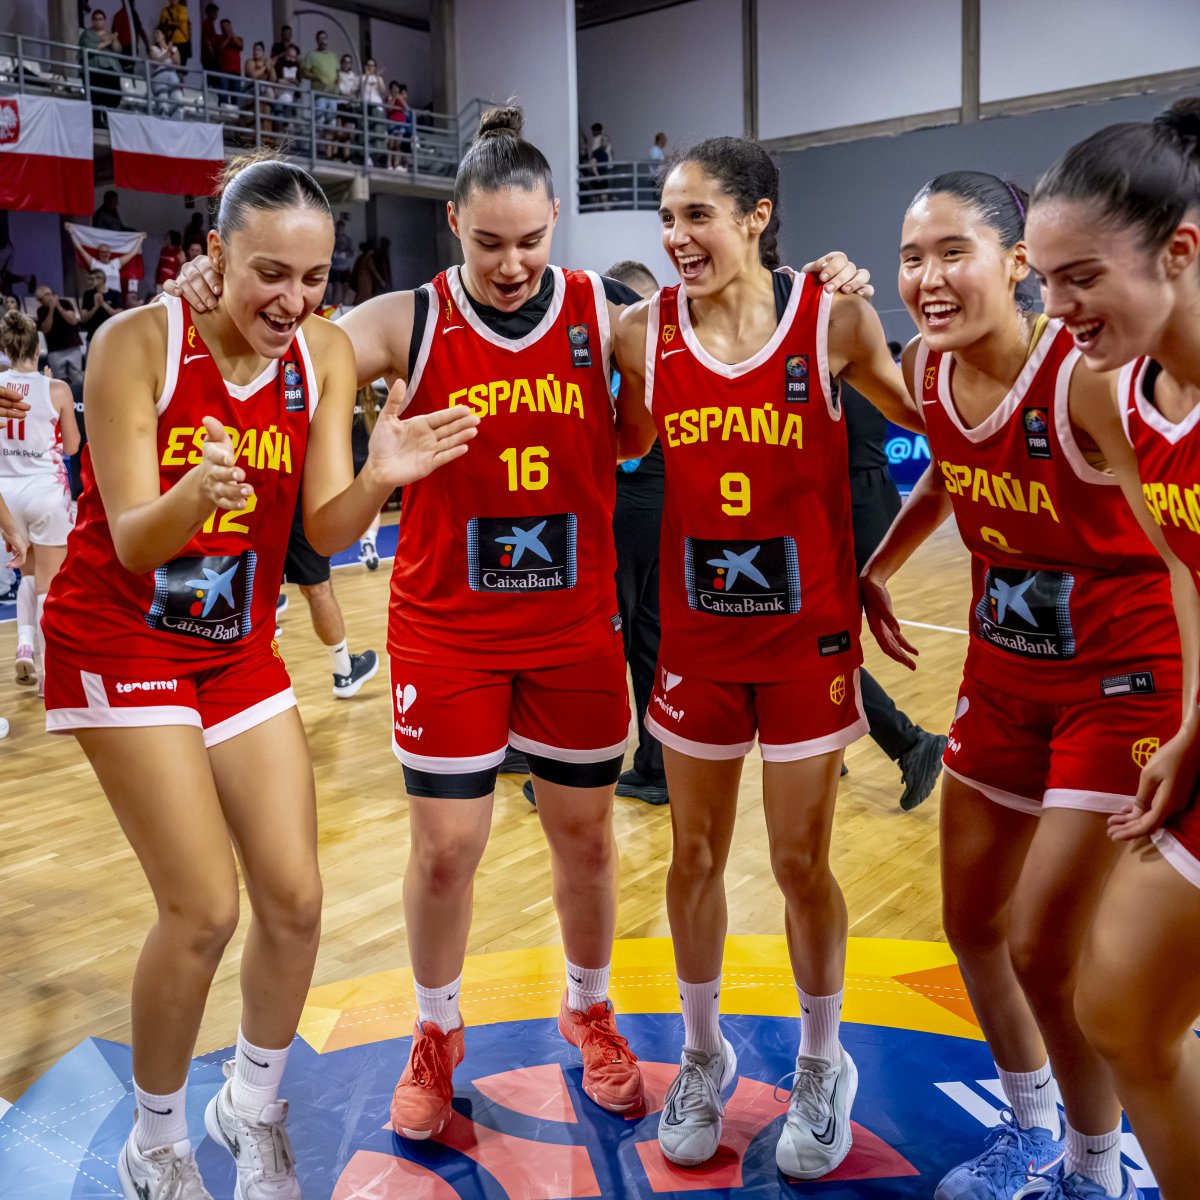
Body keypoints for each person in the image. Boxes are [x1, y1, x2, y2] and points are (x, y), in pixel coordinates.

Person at [163, 106, 865, 1151]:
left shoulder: (605, 310)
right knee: (446, 849)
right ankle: (435, 1033)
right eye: (489, 242)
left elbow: (726, 326)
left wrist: (834, 280)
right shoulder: (406, 320)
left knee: (584, 842)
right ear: (454, 225)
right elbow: (282, 346)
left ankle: (591, 1010)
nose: (510, 263)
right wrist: (204, 293)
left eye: (531, 241)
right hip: (449, 627)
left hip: (574, 625)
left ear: (556, 229)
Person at [39, 154, 477, 1200]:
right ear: (215, 259)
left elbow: (322, 527)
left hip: (236, 647)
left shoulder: (321, 355)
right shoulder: (134, 344)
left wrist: (377, 477)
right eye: (268, 273)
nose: (293, 299)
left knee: (294, 897)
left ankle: (252, 1105)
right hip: (120, 638)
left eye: (314, 276)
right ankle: (156, 1141)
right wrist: (197, 493)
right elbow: (138, 541)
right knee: (202, 910)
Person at [860, 170, 1193, 1200]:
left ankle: (1095, 1171)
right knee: (972, 923)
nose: (926, 277)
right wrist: (879, 562)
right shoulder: (923, 368)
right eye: (911, 257)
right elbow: (948, 473)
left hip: (1121, 683)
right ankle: (1033, 1129)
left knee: (1046, 944)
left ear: (1016, 263)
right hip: (1004, 675)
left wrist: (1193, 710)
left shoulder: (1088, 376)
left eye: (952, 251)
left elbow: (1184, 549)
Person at [607, 136, 917, 1179]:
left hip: (806, 639)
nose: (676, 236)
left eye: (698, 214)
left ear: (757, 217)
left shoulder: (832, 318)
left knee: (797, 863)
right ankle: (702, 1054)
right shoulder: (643, 335)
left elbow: (944, 423)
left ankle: (823, 1066)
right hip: (698, 639)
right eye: (667, 216)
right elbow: (616, 441)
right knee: (691, 857)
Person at [1024, 96, 1200, 1200]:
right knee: (1118, 1011)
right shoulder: (1126, 395)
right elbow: (1189, 564)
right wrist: (1192, 723)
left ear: (1179, 249)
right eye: (1043, 280)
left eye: (1080, 277)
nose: (1057, 308)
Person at [842, 374, 948, 809]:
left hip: (849, 503)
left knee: (821, 647)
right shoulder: (865, 366)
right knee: (825, 642)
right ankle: (830, 743)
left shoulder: (824, 357)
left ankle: (910, 742)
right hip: (873, 496)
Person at [607, 258, 669, 806]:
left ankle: (584, 769)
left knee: (608, 639)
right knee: (649, 642)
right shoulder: (675, 348)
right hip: (666, 513)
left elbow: (625, 453)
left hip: (629, 509)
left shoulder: (629, 357)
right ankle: (655, 765)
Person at [0, 311, 79, 695]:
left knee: (25, 575)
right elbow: (75, 445)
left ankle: (25, 645)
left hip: (7, 493)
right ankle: (52, 674)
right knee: (51, 581)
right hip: (45, 490)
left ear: (6, 348)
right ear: (37, 347)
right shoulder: (58, 389)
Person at [0, 491, 29, 738]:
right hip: (45, 488)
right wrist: (10, 530)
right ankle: (30, 648)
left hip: (11, 490)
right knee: (42, 580)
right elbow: (71, 449)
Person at [35, 285, 84, 390]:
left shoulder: (65, 303)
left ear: (50, 294)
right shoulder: (41, 311)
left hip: (72, 346)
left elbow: (73, 321)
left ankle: (79, 399)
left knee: (77, 377)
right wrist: (51, 310)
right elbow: (45, 329)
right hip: (55, 349)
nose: (40, 301)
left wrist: (59, 307)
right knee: (59, 380)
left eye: (42, 298)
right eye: (38, 299)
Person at [79, 9, 125, 117]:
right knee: (97, 95)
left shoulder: (109, 34)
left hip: (112, 69)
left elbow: (118, 49)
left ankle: (108, 117)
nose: (98, 21)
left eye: (101, 19)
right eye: (96, 19)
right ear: (92, 21)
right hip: (96, 68)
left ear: (104, 21)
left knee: (114, 95)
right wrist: (108, 41)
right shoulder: (88, 33)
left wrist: (113, 40)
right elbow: (92, 48)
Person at [302, 31, 339, 159]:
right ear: (317, 40)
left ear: (327, 40)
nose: (323, 41)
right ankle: (317, 151)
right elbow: (304, 72)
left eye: (325, 38)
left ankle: (329, 154)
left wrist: (337, 85)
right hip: (319, 94)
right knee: (319, 121)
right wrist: (317, 76)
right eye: (320, 39)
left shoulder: (334, 57)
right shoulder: (312, 55)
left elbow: (338, 73)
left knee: (331, 123)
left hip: (332, 95)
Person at [149, 24, 185, 118]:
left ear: (163, 35)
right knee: (163, 101)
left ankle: (177, 117)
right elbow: (156, 62)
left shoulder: (174, 49)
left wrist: (170, 52)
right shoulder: (153, 49)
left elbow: (177, 64)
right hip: (159, 76)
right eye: (154, 34)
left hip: (172, 76)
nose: (155, 36)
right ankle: (163, 116)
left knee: (178, 99)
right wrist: (167, 53)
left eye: (158, 33)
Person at [80, 269, 122, 342]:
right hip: (93, 335)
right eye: (92, 278)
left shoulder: (114, 294)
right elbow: (84, 318)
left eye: (97, 277)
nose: (94, 280)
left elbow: (118, 314)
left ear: (103, 279)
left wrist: (103, 303)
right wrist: (95, 307)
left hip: (111, 334)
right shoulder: (88, 294)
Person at [243, 41, 275, 134]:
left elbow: (273, 79)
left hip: (264, 95)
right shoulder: (250, 62)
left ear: (263, 52)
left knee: (269, 91)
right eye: (254, 50)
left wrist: (271, 67)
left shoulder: (266, 63)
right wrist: (265, 67)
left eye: (258, 50)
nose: (256, 52)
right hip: (251, 91)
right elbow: (253, 75)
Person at [361, 58, 387, 167]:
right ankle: (367, 157)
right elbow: (361, 89)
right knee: (366, 132)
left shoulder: (378, 78)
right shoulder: (362, 77)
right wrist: (367, 76)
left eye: (372, 65)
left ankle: (378, 158)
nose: (370, 67)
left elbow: (383, 91)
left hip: (377, 107)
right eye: (368, 65)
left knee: (377, 133)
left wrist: (377, 76)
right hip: (366, 106)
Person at [385, 81, 411, 170]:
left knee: (398, 144)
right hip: (392, 123)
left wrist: (400, 99)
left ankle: (396, 164)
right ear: (390, 89)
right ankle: (389, 163)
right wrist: (394, 98)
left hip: (401, 123)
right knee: (391, 144)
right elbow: (389, 108)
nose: (395, 90)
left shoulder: (400, 98)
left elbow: (407, 108)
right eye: (393, 88)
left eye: (397, 88)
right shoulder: (388, 98)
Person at [329, 216, 353, 305]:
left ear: (344, 228)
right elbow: (327, 250)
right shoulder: (332, 238)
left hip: (345, 267)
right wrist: (334, 253)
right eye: (338, 228)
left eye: (341, 228)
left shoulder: (348, 240)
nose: (340, 229)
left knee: (346, 289)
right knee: (336, 289)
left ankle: (344, 307)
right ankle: (334, 307)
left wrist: (343, 254)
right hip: (335, 267)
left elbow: (351, 253)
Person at [351, 239, 384, 305]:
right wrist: (381, 281)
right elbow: (373, 270)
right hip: (366, 280)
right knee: (365, 296)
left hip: (361, 279)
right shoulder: (368, 258)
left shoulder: (361, 257)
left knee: (362, 295)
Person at [157, 0, 190, 65]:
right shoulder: (165, 11)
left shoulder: (182, 9)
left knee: (182, 66)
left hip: (182, 41)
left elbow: (180, 21)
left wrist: (169, 23)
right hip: (170, 41)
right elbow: (162, 24)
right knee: (171, 64)